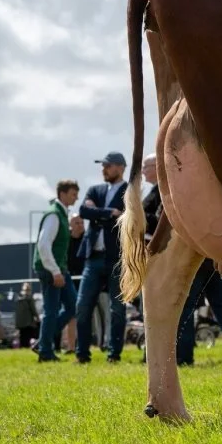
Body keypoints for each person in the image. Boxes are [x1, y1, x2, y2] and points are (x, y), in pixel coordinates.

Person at [76, 151, 130, 364]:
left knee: (117, 308)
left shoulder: (130, 190)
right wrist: (109, 213)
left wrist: (97, 212)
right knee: (82, 306)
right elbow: (83, 211)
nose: (103, 169)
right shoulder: (94, 189)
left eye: (107, 165)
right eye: (103, 166)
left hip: (116, 258)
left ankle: (114, 354)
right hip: (93, 258)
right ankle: (82, 354)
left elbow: (126, 216)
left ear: (120, 167)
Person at [34, 179, 80, 362]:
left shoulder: (61, 214)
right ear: (62, 193)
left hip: (60, 268)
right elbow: (43, 245)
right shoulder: (53, 215)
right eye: (73, 194)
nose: (75, 199)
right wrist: (55, 271)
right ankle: (45, 351)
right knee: (51, 310)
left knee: (73, 306)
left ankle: (43, 342)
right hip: (51, 269)